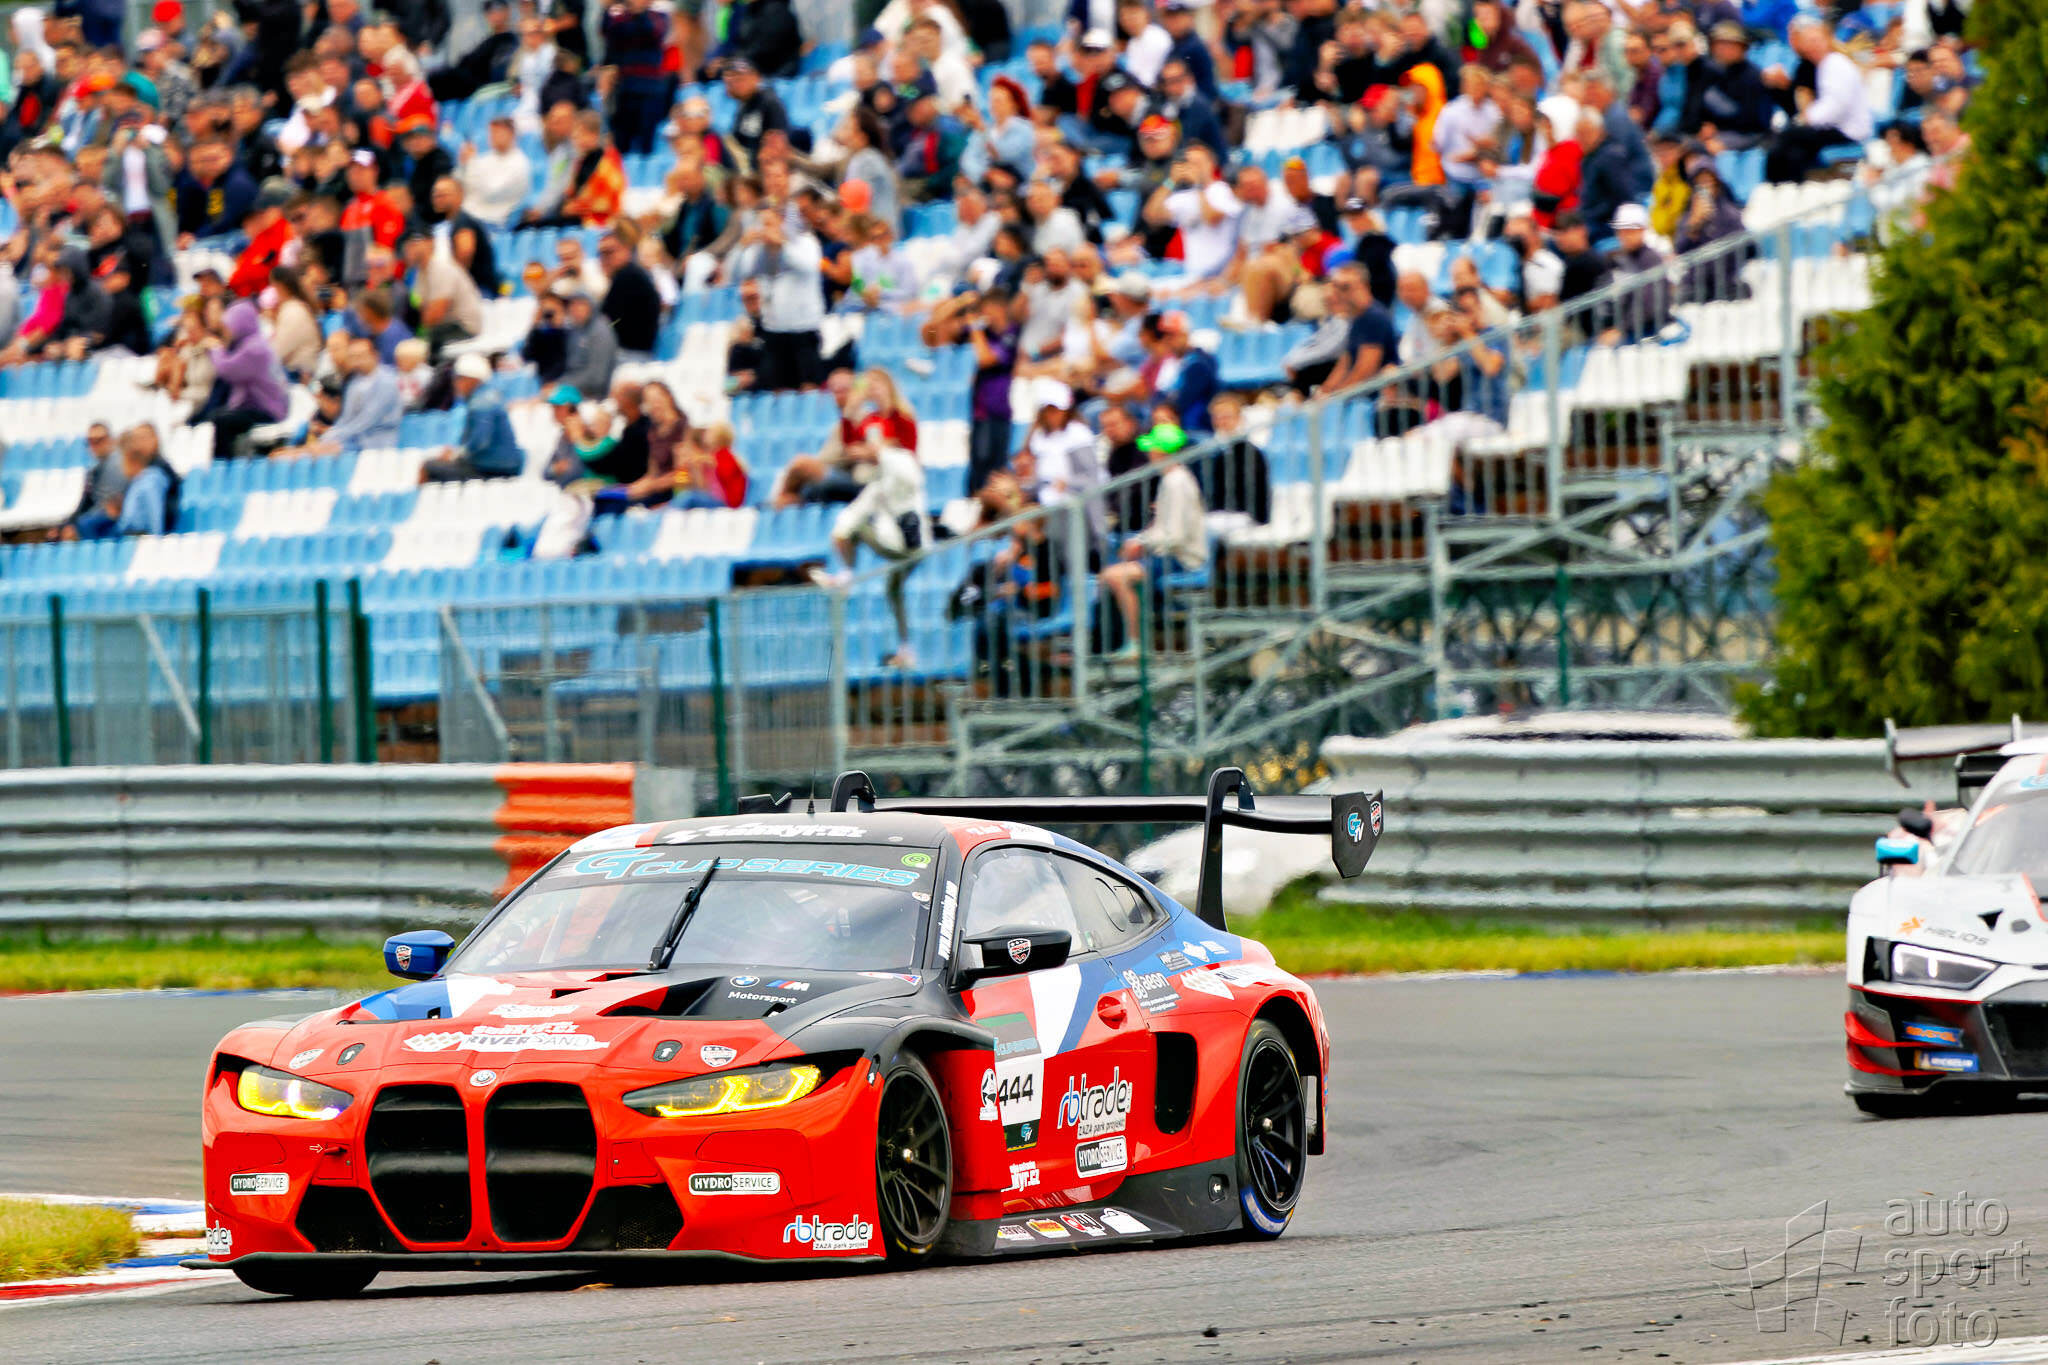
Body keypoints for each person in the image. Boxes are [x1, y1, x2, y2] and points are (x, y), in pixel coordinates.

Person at [1100, 417, 1206, 660]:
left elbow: (1175, 536)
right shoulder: (1171, 479)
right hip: (1167, 553)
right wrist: (1140, 540)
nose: (1149, 454)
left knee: (1115, 576)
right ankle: (1126, 640)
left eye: (1153, 449)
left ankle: (1135, 642)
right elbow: (1162, 528)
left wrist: (1142, 543)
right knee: (1111, 573)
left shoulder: (1176, 482)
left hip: (1181, 558)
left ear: (1161, 452)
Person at [1764, 16, 1874, 183]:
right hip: (1832, 127)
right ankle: (1785, 186)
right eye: (1808, 42)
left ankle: (1778, 183)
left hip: (1848, 130)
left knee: (1789, 136)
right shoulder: (1820, 65)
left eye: (1816, 41)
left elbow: (1835, 106)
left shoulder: (1836, 64)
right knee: (1793, 149)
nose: (1813, 46)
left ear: (1827, 39)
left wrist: (1807, 119)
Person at [733, 209, 825, 391]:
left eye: (769, 224)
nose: (765, 229)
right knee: (779, 389)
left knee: (808, 388)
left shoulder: (805, 242)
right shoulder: (759, 250)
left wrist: (783, 244)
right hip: (774, 328)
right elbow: (739, 274)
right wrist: (742, 248)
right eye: (762, 224)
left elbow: (809, 266)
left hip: (803, 328)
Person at [197, 299, 289, 459]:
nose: (227, 331)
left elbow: (227, 370)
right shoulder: (250, 344)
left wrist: (216, 348)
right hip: (257, 407)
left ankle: (224, 463)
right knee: (214, 415)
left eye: (229, 326)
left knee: (221, 421)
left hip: (268, 410)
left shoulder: (255, 349)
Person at [286, 334, 403, 456]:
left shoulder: (387, 381)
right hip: (353, 438)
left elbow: (367, 420)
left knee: (320, 451)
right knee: (307, 449)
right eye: (354, 357)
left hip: (378, 439)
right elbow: (345, 417)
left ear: (375, 355)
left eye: (361, 356)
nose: (358, 361)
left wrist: (335, 436)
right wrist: (331, 435)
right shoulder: (354, 382)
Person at [423, 354, 524, 481]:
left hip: (493, 466)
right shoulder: (486, 395)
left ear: (472, 380)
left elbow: (480, 441)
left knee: (428, 467)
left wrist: (455, 454)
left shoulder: (481, 403)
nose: (455, 383)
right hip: (501, 464)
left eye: (459, 378)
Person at [598, 230, 662, 362]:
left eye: (610, 252)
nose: (604, 259)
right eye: (601, 254)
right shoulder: (631, 274)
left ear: (626, 251)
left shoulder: (628, 276)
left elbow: (606, 319)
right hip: (632, 352)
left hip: (631, 355)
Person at [460, 115, 531, 227]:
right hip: (469, 214)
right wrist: (464, 164)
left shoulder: (519, 163)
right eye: (491, 132)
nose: (493, 136)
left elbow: (491, 193)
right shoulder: (486, 158)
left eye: (498, 132)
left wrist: (471, 163)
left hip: (495, 221)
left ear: (511, 134)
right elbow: (464, 186)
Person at [554, 281, 620, 397]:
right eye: (572, 304)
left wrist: (561, 385)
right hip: (570, 386)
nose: (575, 309)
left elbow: (597, 378)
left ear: (591, 306)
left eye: (581, 304)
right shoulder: (574, 330)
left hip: (592, 395)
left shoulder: (600, 332)